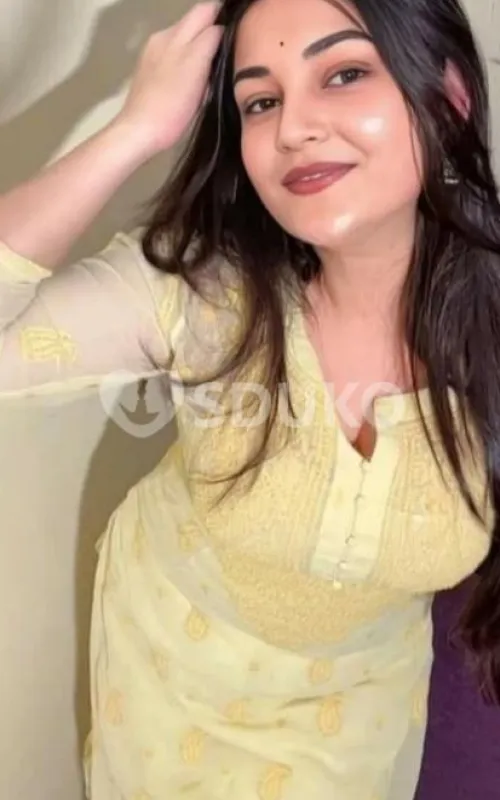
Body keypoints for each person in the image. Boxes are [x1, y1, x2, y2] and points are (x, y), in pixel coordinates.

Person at [1, 0, 499, 798]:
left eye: (344, 73)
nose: (294, 127)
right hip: (168, 699)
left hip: (358, 723)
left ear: (449, 97)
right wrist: (133, 130)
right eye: (261, 101)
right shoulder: (206, 298)